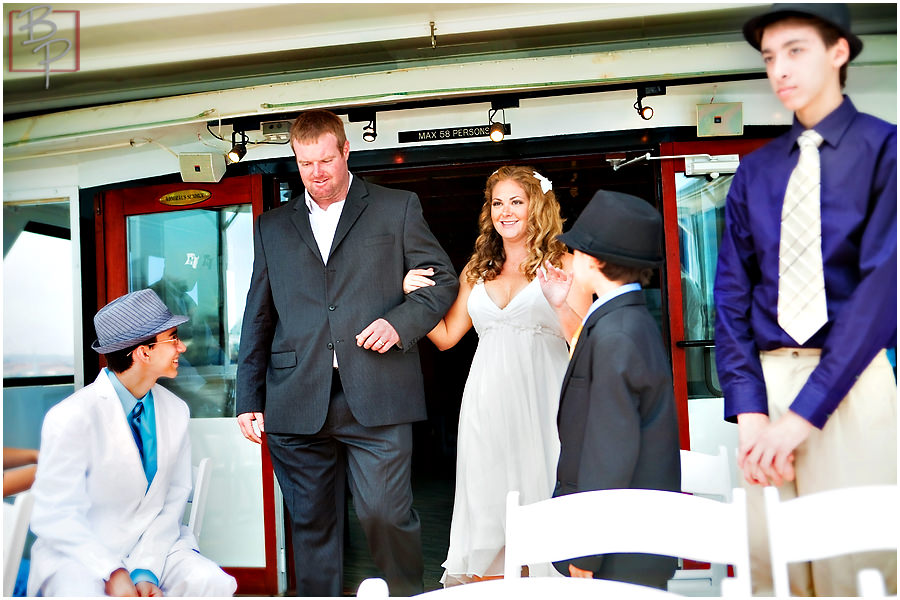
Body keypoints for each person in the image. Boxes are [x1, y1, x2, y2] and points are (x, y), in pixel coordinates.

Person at [235, 109, 458, 597]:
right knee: (311, 527)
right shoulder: (272, 226)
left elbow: (441, 281)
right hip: (295, 396)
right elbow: (259, 314)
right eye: (305, 162)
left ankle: (405, 595)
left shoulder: (396, 207)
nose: (317, 172)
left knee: (385, 514)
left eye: (326, 160)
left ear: (346, 151)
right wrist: (247, 396)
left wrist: (399, 324)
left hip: (379, 390)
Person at [714, 3, 897, 596]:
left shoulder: (885, 151)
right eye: (770, 57)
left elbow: (880, 294)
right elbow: (731, 296)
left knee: (858, 566)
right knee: (771, 570)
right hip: (765, 391)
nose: (779, 69)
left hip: (852, 381)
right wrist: (749, 414)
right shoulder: (756, 172)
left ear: (839, 52)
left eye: (796, 51)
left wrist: (800, 422)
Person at [403, 166, 592, 585]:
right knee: (489, 504)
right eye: (497, 202)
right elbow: (448, 336)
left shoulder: (564, 261)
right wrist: (415, 300)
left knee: (542, 494)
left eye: (516, 201)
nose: (505, 212)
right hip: (486, 404)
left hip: (544, 399)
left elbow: (583, 340)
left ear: (535, 206)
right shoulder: (478, 267)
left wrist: (559, 302)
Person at [27, 289, 237, 597]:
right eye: (173, 337)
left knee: (211, 582)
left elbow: (173, 499)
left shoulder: (176, 411)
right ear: (143, 352)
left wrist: (144, 569)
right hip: (81, 555)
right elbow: (54, 515)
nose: (182, 346)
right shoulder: (71, 417)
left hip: (153, 547)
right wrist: (112, 571)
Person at [550, 189, 681, 589]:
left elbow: (610, 451)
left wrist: (587, 547)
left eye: (574, 251)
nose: (570, 259)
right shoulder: (624, 321)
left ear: (592, 260)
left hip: (618, 547)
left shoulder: (616, 335)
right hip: (630, 538)